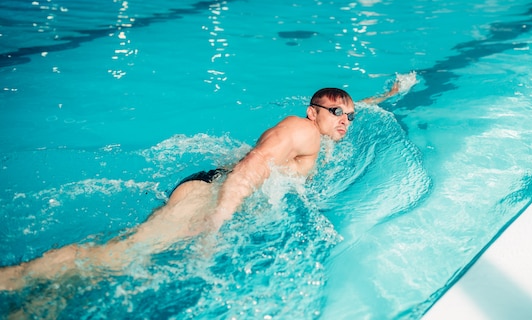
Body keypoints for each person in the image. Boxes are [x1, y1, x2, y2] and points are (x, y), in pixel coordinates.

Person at [0, 74, 415, 292]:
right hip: (211, 192)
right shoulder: (301, 133)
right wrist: (217, 224)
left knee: (131, 252)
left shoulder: (319, 128)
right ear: (312, 112)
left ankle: (36, 300)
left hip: (210, 183)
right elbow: (252, 166)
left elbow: (348, 107)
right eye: (336, 113)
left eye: (350, 116)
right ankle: (12, 278)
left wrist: (388, 95)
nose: (346, 121)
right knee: (127, 251)